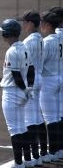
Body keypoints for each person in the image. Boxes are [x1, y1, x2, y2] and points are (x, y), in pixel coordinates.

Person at [0, 19, 35, 168]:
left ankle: (18, 163)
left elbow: (16, 75)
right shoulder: (24, 47)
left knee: (14, 129)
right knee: (22, 128)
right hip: (22, 93)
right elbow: (31, 69)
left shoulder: (11, 51)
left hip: (12, 93)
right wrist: (29, 88)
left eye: (3, 32)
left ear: (7, 34)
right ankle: (28, 160)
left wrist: (25, 89)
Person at [17, 10, 48, 165]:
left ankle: (33, 156)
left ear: (30, 23)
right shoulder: (40, 38)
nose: (23, 25)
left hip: (31, 81)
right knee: (38, 117)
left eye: (24, 22)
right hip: (39, 79)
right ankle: (42, 152)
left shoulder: (28, 41)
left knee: (30, 119)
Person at [38, 11, 62, 162]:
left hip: (48, 82)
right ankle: (60, 148)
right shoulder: (61, 38)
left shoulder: (46, 42)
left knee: (50, 117)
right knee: (60, 115)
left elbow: (39, 66)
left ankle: (53, 151)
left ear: (47, 25)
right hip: (61, 77)